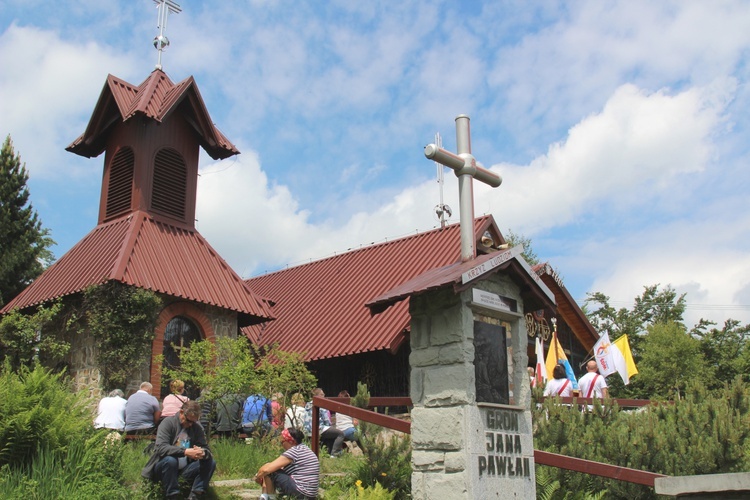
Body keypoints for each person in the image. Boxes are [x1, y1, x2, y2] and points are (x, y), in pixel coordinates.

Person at [141, 401, 216, 499]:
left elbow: (207, 449)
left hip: (185, 469)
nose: (190, 424)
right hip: (163, 468)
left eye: (194, 422)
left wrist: (202, 453)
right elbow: (161, 448)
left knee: (210, 462)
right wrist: (185, 452)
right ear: (181, 412)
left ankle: (195, 495)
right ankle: (172, 496)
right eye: (188, 421)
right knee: (170, 460)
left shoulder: (196, 428)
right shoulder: (168, 423)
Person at [254, 427, 319, 500]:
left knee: (271, 471)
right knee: (270, 469)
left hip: (300, 491)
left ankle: (270, 497)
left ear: (290, 441)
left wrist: (258, 476)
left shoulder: (294, 451)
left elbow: (266, 470)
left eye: (282, 441)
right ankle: (264, 496)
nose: (281, 444)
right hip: (310, 494)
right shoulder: (304, 449)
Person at [303, 388, 344, 457]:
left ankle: (328, 454)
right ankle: (334, 454)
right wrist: (330, 426)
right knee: (340, 434)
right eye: (322, 394)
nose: (324, 395)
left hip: (308, 430)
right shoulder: (321, 404)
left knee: (331, 434)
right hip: (319, 428)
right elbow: (326, 420)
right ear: (317, 396)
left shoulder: (308, 405)